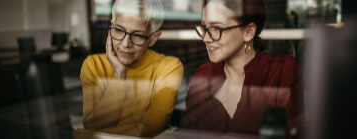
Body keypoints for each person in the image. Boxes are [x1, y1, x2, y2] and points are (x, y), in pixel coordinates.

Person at [183, 0, 304, 137]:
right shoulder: (203, 74)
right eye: (204, 28)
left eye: (216, 28)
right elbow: (188, 133)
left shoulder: (282, 71)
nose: (205, 38)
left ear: (248, 32)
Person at [78, 0, 184, 137]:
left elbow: (150, 128)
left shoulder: (169, 67)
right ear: (111, 27)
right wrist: (119, 74)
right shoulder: (93, 64)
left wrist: (89, 135)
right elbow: (92, 125)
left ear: (153, 38)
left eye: (138, 35)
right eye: (119, 30)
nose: (125, 43)